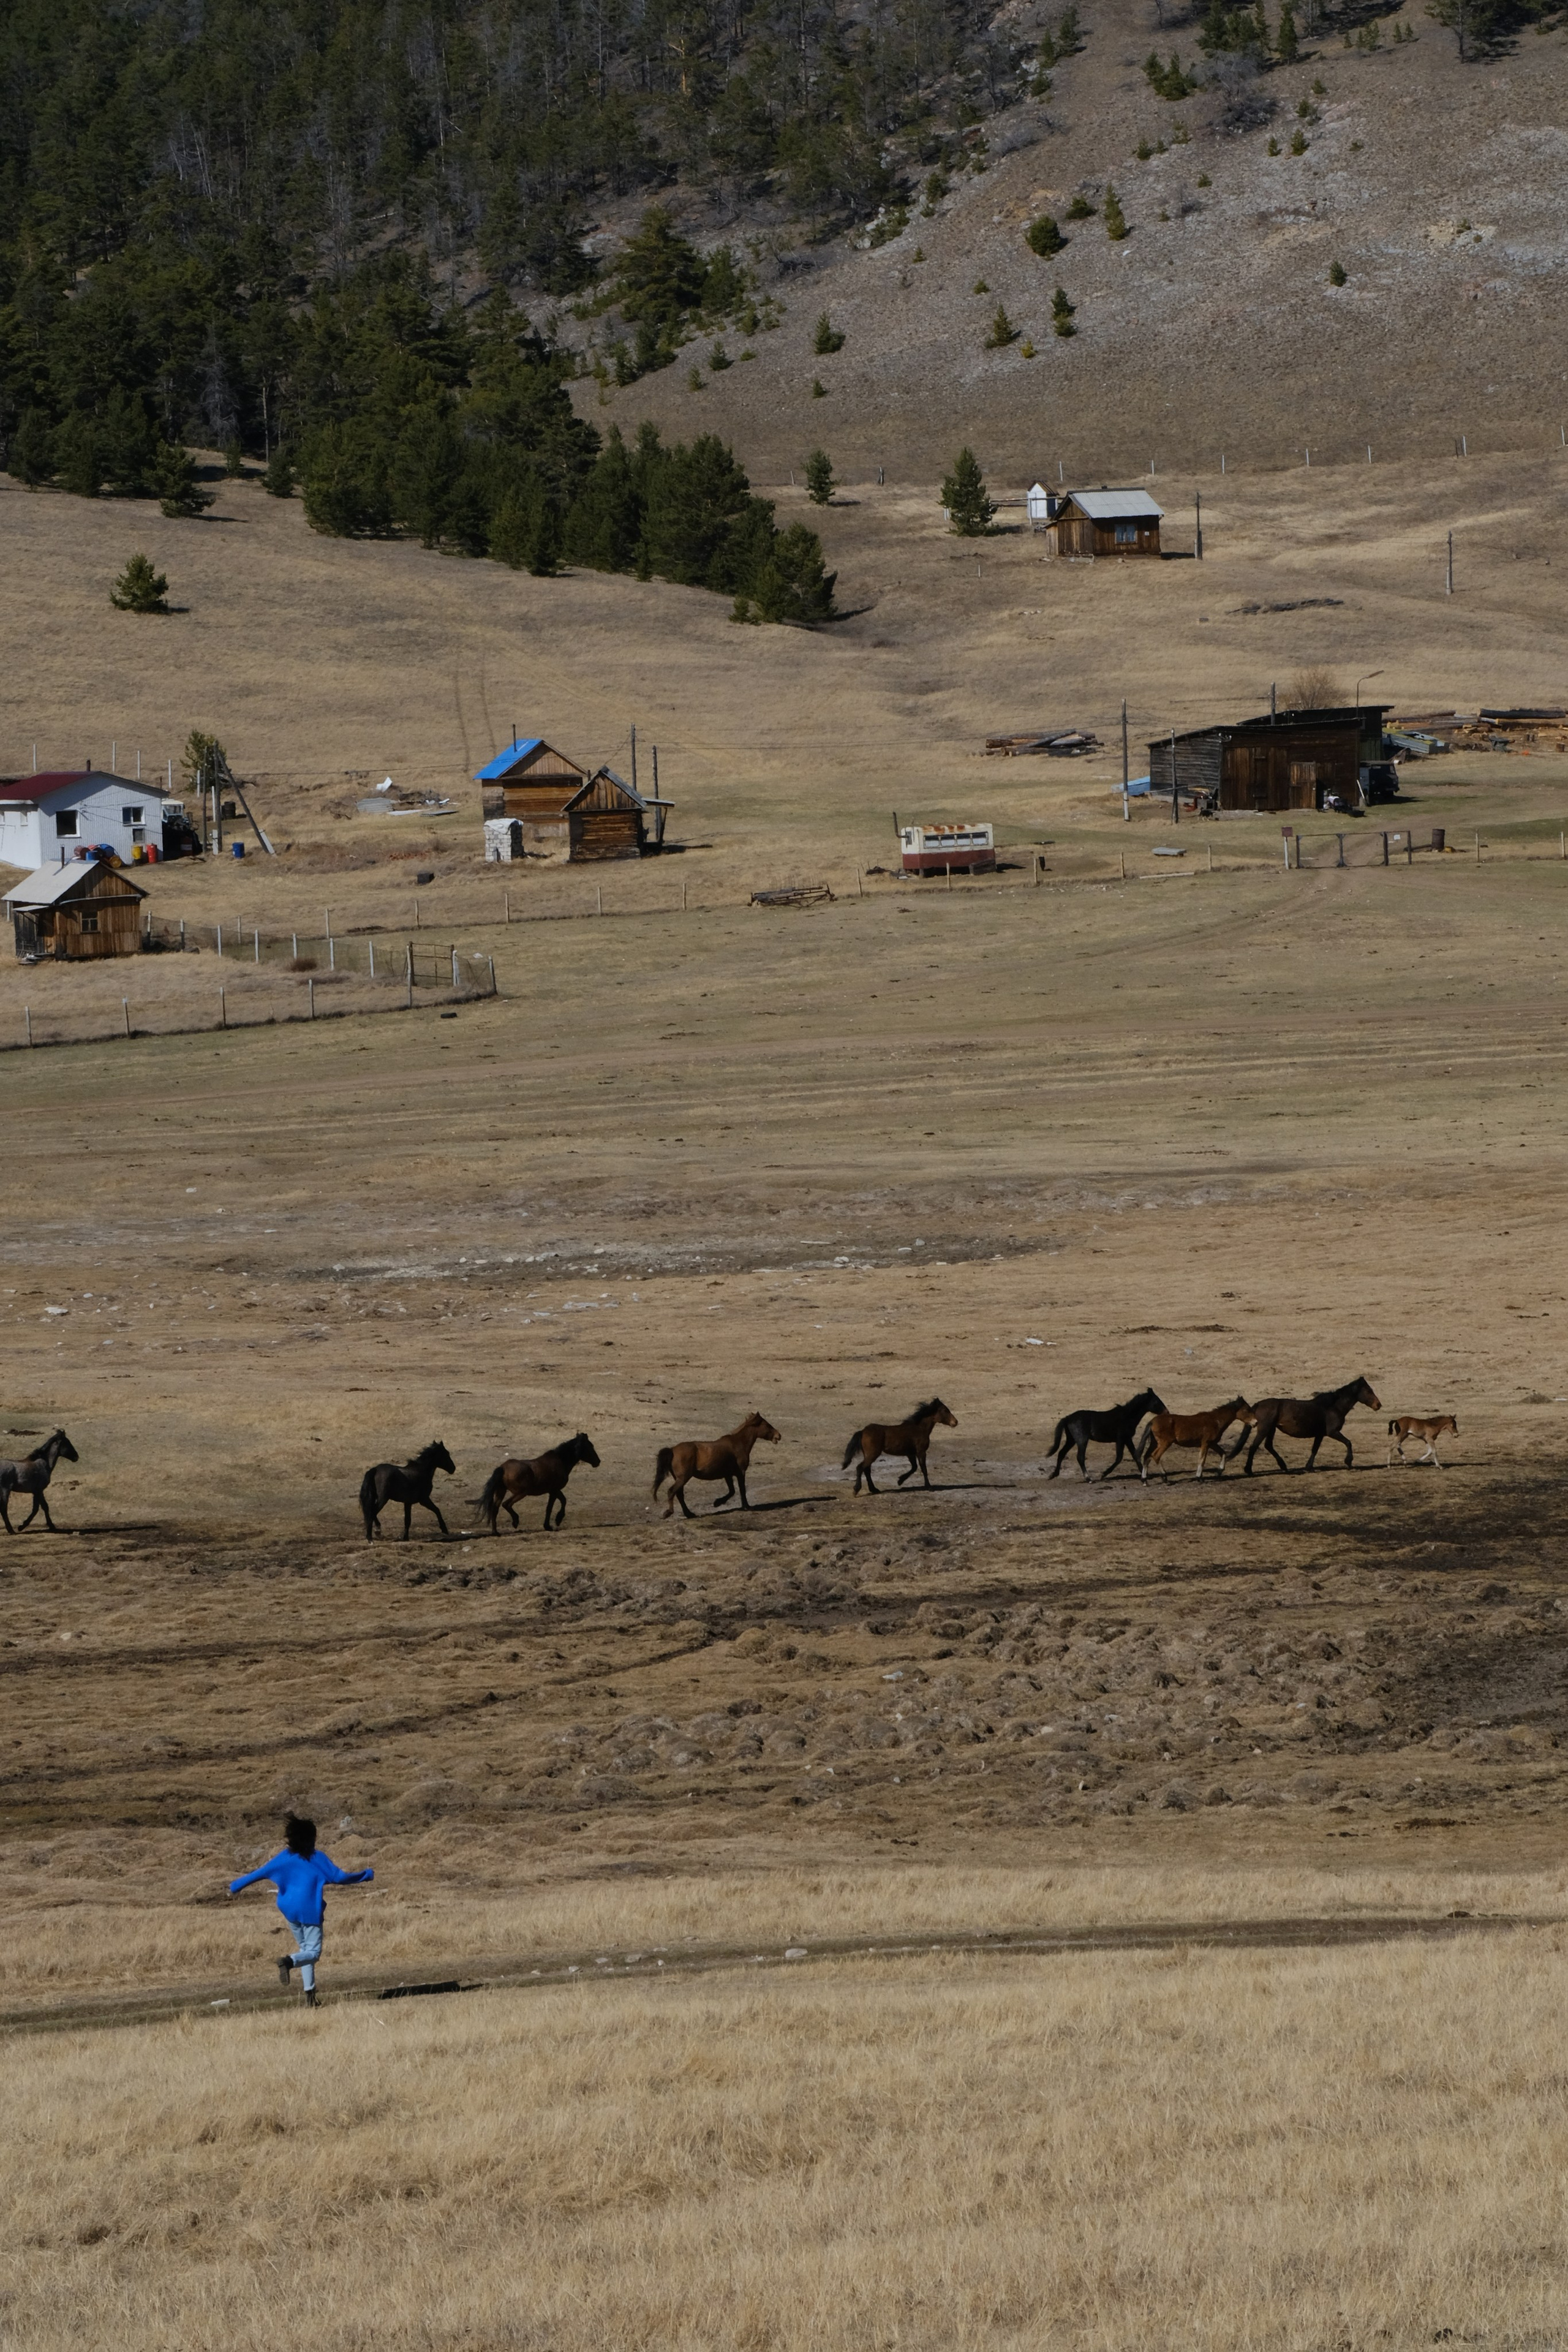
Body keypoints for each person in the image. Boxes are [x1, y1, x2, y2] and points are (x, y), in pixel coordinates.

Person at [228, 1815, 373, 2007]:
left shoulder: (284, 1857)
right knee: (313, 1953)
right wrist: (366, 1875)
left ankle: (310, 1997)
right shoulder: (317, 1857)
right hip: (309, 1910)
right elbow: (340, 1877)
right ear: (312, 1838)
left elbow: (259, 1872)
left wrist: (235, 1886)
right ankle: (288, 1961)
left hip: (289, 1910)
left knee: (306, 1950)